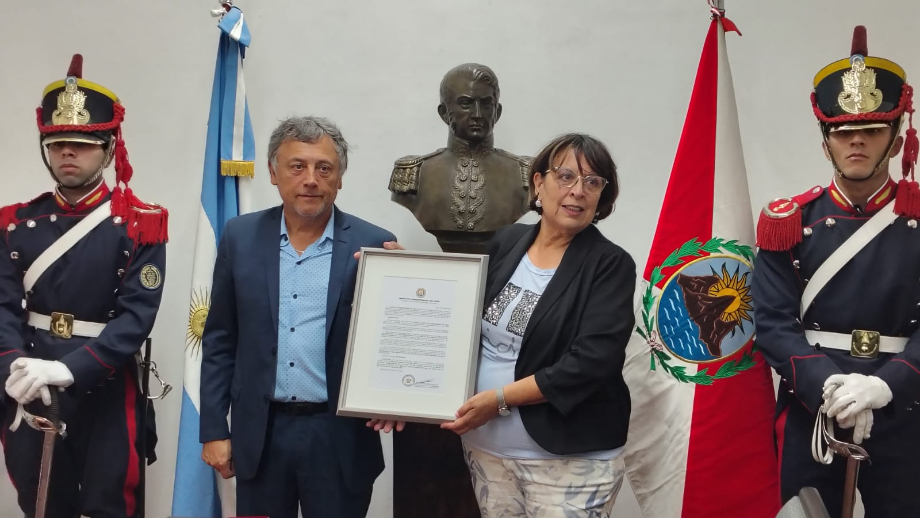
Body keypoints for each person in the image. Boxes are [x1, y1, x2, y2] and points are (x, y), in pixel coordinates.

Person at [752, 25, 920, 517]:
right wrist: (826, 386)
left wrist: (889, 383)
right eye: (843, 132)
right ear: (825, 139)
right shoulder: (789, 223)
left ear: (895, 136)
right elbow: (773, 323)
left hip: (905, 410)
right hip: (815, 414)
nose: (857, 143)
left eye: (871, 130)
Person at [199, 116, 402, 518]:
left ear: (339, 178)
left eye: (324, 168)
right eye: (298, 166)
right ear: (274, 173)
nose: (311, 178)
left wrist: (400, 287)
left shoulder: (374, 245)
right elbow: (221, 339)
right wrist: (214, 431)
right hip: (261, 433)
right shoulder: (239, 238)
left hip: (338, 435)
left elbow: (392, 339)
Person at [1, 54, 168, 517]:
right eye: (56, 144)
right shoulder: (14, 224)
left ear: (110, 147)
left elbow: (136, 317)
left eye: (81, 143)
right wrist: (14, 368)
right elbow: (2, 308)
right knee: (41, 503)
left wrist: (71, 369)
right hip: (29, 381)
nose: (67, 154)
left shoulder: (140, 224)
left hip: (105, 384)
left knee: (109, 503)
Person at [441, 133, 637, 517]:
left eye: (592, 182)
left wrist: (498, 399)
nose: (578, 191)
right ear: (538, 183)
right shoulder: (507, 241)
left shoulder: (610, 265)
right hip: (488, 454)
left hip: (569, 461)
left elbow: (591, 363)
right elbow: (460, 313)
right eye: (566, 176)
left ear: (601, 197)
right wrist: (401, 275)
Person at [389, 62, 531, 254]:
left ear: (497, 112)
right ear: (443, 113)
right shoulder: (414, 172)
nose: (477, 114)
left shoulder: (525, 173)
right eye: (466, 104)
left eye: (486, 104)